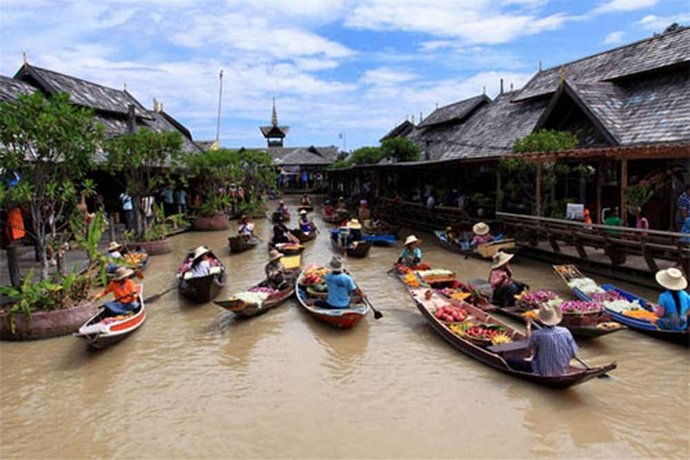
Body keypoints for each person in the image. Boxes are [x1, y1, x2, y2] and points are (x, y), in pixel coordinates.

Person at [508, 303, 579, 377]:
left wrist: (528, 326)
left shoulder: (538, 334)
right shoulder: (566, 331)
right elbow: (574, 353)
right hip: (562, 370)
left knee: (509, 359)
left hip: (541, 371)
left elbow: (528, 345)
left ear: (541, 319)